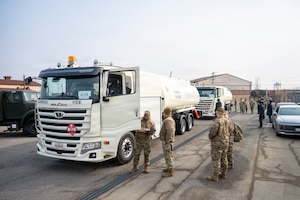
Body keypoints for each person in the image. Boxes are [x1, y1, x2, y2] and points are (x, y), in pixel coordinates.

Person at [207, 107, 230, 182]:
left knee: (216, 159)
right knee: (224, 158)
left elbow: (212, 133)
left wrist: (210, 137)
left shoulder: (217, 122)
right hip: (225, 142)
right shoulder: (226, 121)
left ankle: (215, 176)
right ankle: (224, 173)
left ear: (217, 113)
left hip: (217, 143)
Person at [159, 107, 176, 177]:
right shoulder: (169, 119)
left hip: (167, 142)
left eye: (163, 112)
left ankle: (170, 171)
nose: (162, 114)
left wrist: (167, 139)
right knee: (168, 155)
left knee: (168, 155)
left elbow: (170, 130)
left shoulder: (168, 120)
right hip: (167, 141)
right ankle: (169, 167)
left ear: (165, 113)